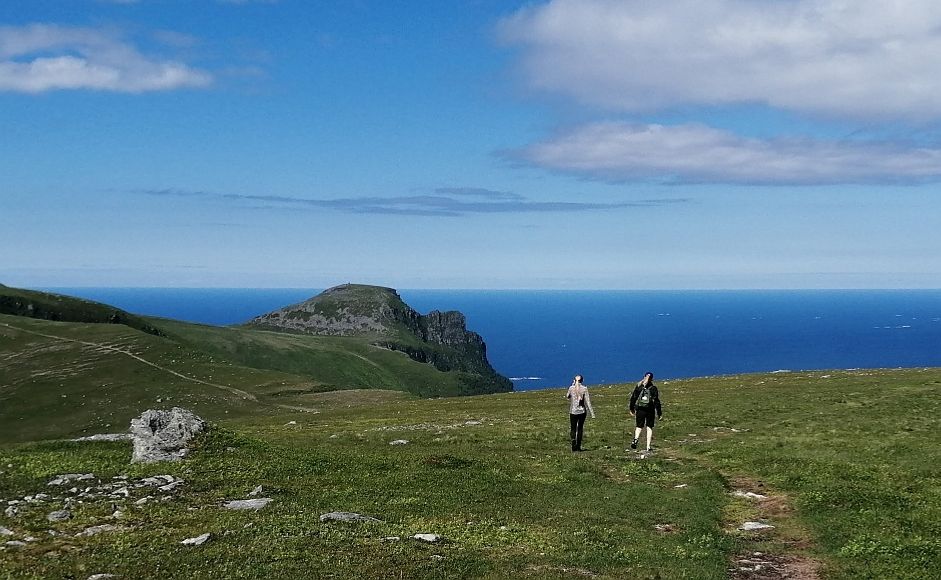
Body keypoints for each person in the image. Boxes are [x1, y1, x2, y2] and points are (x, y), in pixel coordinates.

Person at [629, 371, 662, 452]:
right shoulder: (653, 388)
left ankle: (635, 439)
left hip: (640, 409)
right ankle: (648, 446)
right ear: (652, 379)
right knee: (649, 427)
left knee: (639, 426)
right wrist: (659, 413)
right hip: (650, 410)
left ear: (644, 377)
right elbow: (656, 401)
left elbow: (633, 397)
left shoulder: (639, 387)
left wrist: (631, 408)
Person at [566, 374, 595, 452]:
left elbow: (567, 396)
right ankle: (578, 446)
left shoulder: (571, 388)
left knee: (573, 428)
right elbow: (588, 402)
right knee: (580, 428)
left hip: (573, 411)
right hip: (582, 411)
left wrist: (572, 385)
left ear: (574, 380)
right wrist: (592, 413)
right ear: (582, 380)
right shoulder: (584, 389)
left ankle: (573, 442)